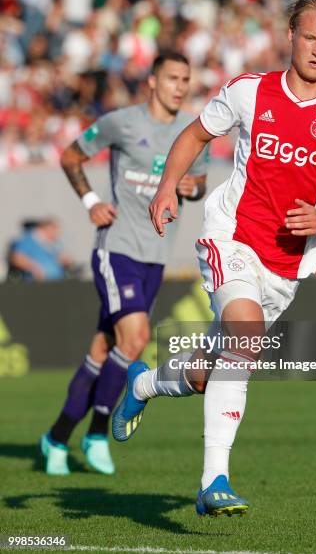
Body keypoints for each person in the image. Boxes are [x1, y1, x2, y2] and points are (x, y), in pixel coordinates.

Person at [112, 0, 316, 516]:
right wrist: (169, 186)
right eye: (309, 36)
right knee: (246, 335)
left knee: (205, 371)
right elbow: (193, 135)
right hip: (231, 238)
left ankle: (142, 383)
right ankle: (214, 480)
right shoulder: (248, 91)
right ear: (291, 35)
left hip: (288, 265)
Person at [41, 51, 209, 475]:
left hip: (155, 258)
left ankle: (57, 437)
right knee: (134, 340)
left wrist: (191, 187)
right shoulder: (123, 122)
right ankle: (98, 433)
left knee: (104, 348)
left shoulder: (193, 131)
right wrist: (91, 200)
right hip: (116, 249)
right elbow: (70, 156)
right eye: (172, 77)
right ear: (152, 81)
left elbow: (200, 183)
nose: (180, 86)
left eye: (185, 79)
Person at [8, 218, 73, 281]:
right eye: (54, 229)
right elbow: (17, 258)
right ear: (46, 228)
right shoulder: (28, 240)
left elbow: (62, 258)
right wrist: (34, 268)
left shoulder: (54, 244)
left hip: (56, 283)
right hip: (36, 284)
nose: (57, 232)